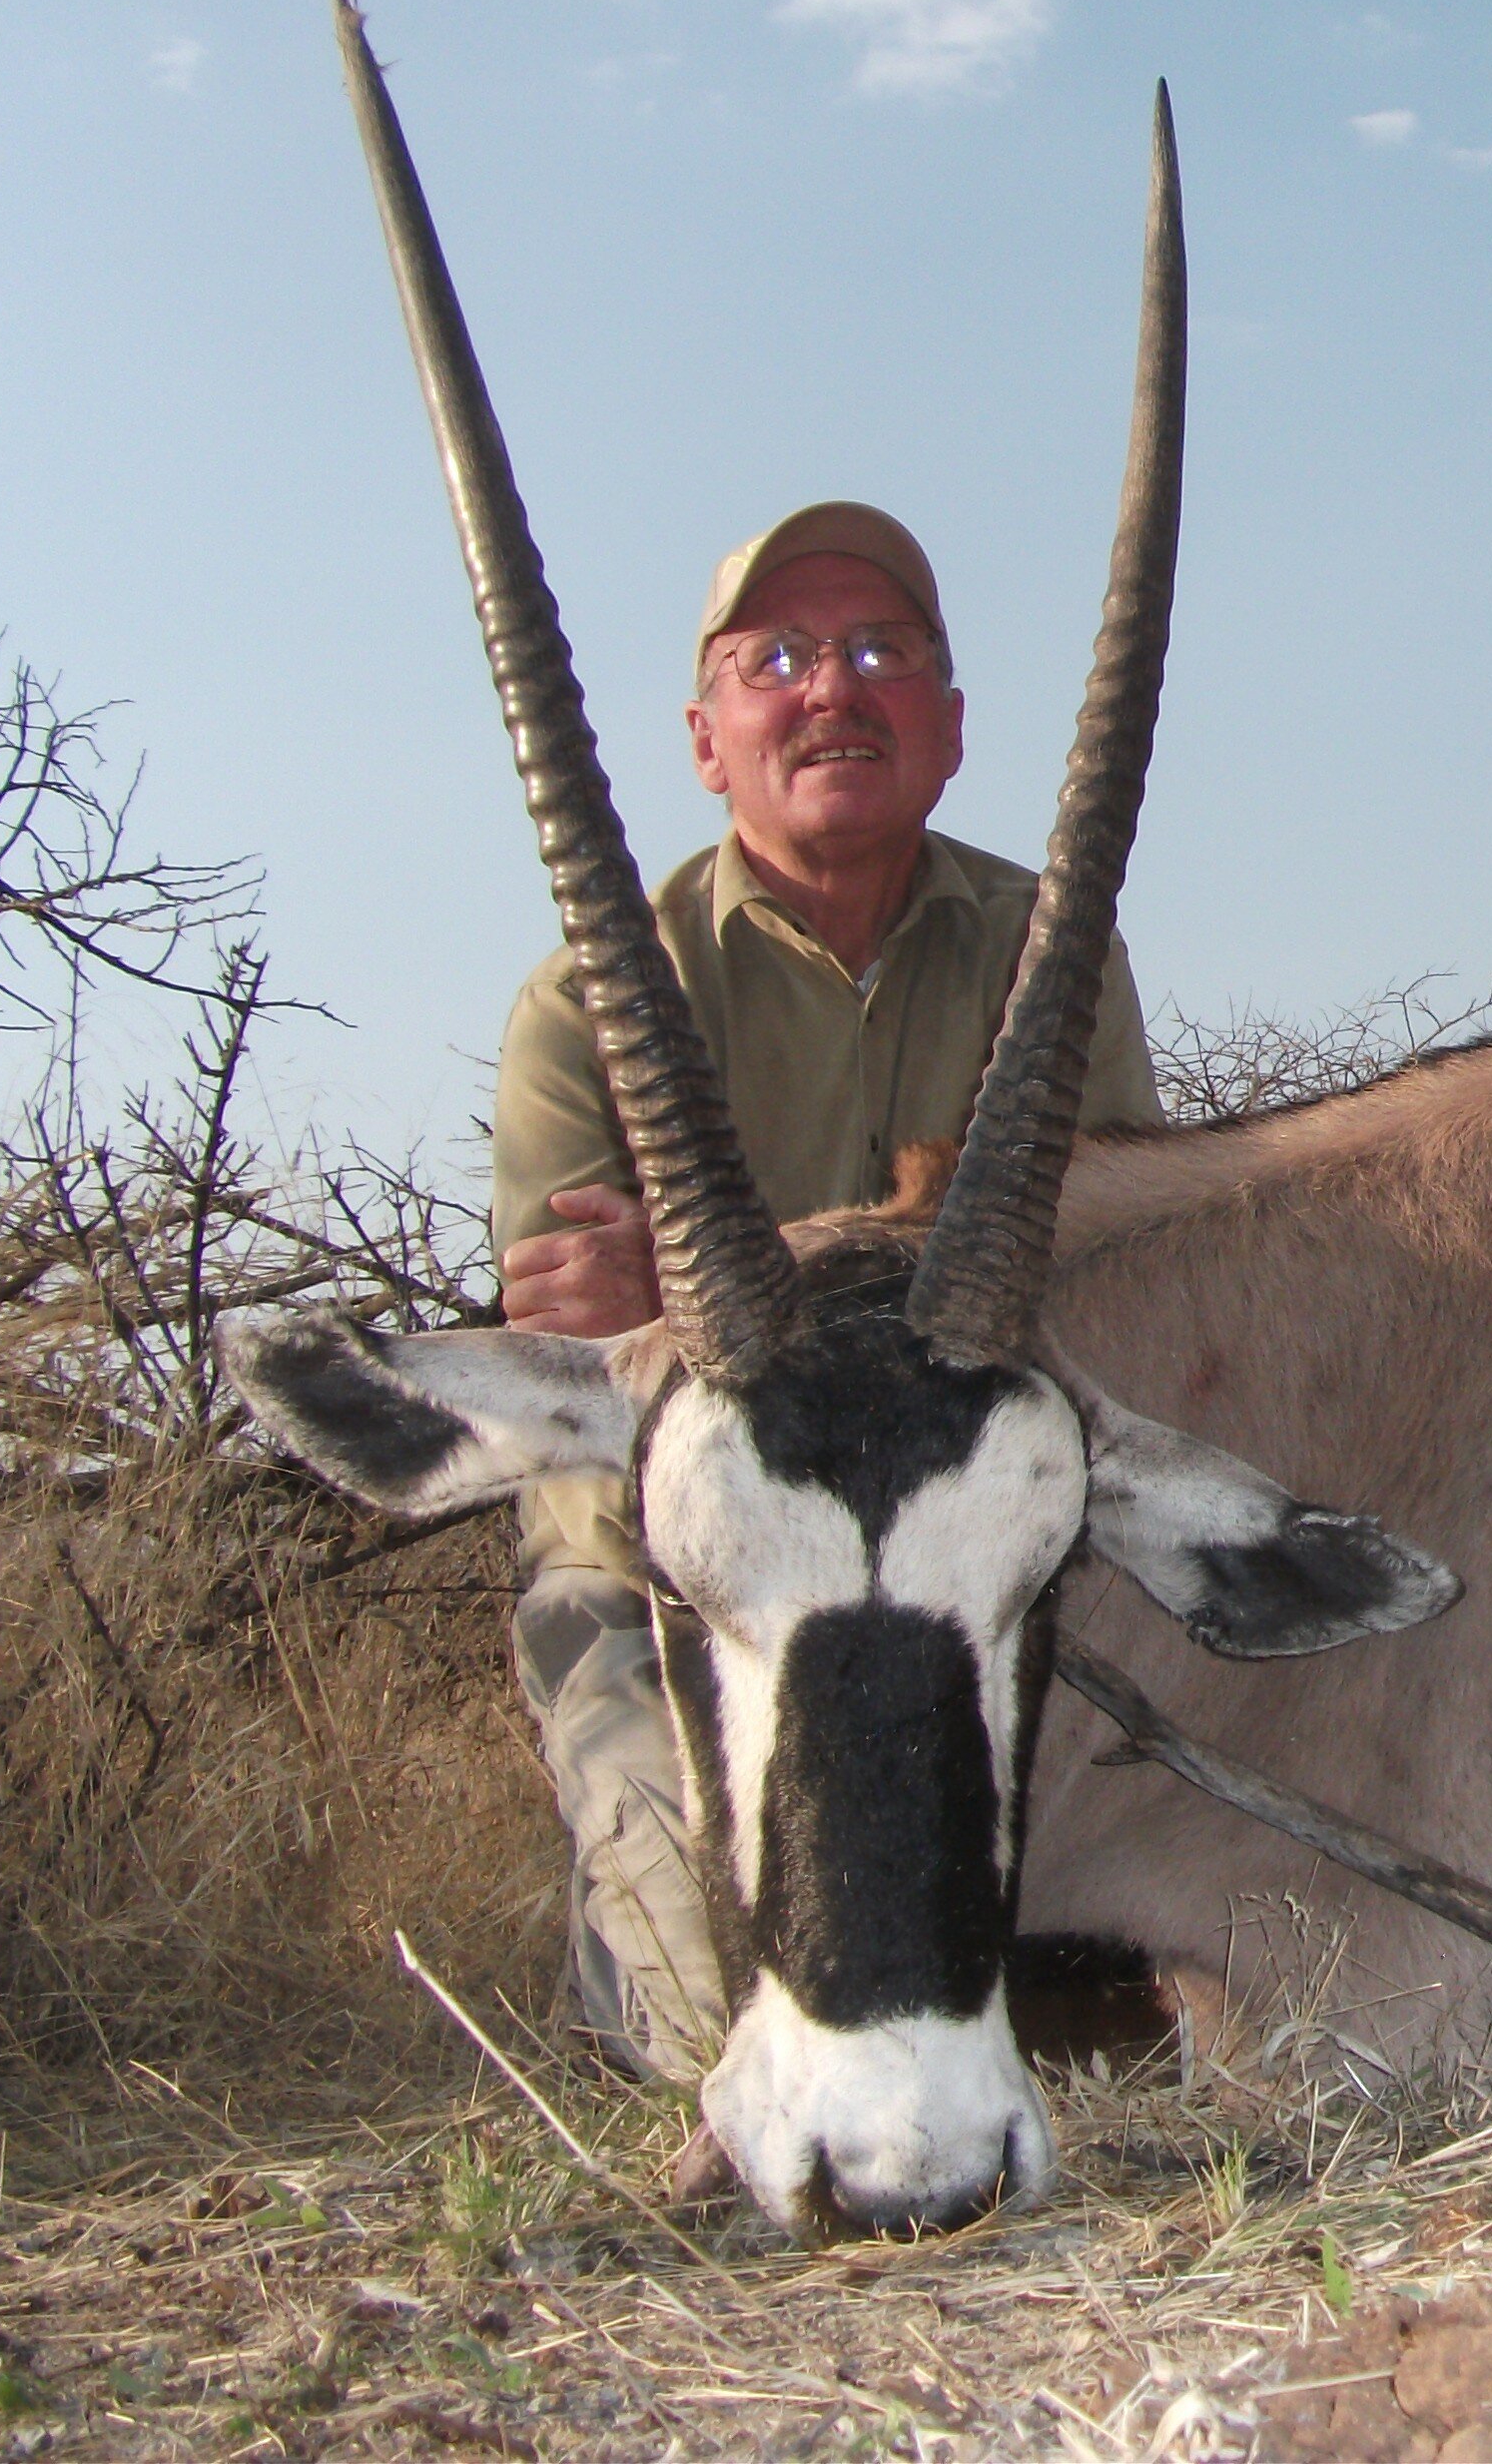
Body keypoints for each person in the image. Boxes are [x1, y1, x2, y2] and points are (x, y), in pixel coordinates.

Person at [489, 501, 1163, 2075]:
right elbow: (589, 1357)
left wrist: (715, 1285)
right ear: (709, 739)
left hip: (970, 1567)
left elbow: (1119, 1277)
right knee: (709, 2033)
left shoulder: (1047, 949)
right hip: (687, 1575)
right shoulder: (584, 998)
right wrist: (916, 1277)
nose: (831, 688)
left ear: (947, 728)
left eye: (882, 652)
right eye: (773, 658)